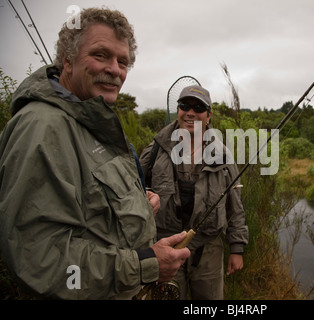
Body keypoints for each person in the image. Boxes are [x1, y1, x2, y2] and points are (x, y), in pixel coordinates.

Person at [0, 7, 190, 299]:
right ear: (67, 60)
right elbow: (41, 260)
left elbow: (91, 205)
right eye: (100, 55)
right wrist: (143, 266)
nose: (114, 69)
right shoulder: (42, 129)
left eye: (122, 61)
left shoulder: (91, 119)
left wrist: (137, 202)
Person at [139, 85, 249, 299]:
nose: (190, 112)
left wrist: (236, 248)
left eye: (199, 107)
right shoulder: (154, 151)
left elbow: (235, 205)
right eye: (184, 105)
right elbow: (133, 194)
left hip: (209, 249)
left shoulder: (224, 156)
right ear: (178, 110)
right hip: (163, 247)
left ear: (209, 116)